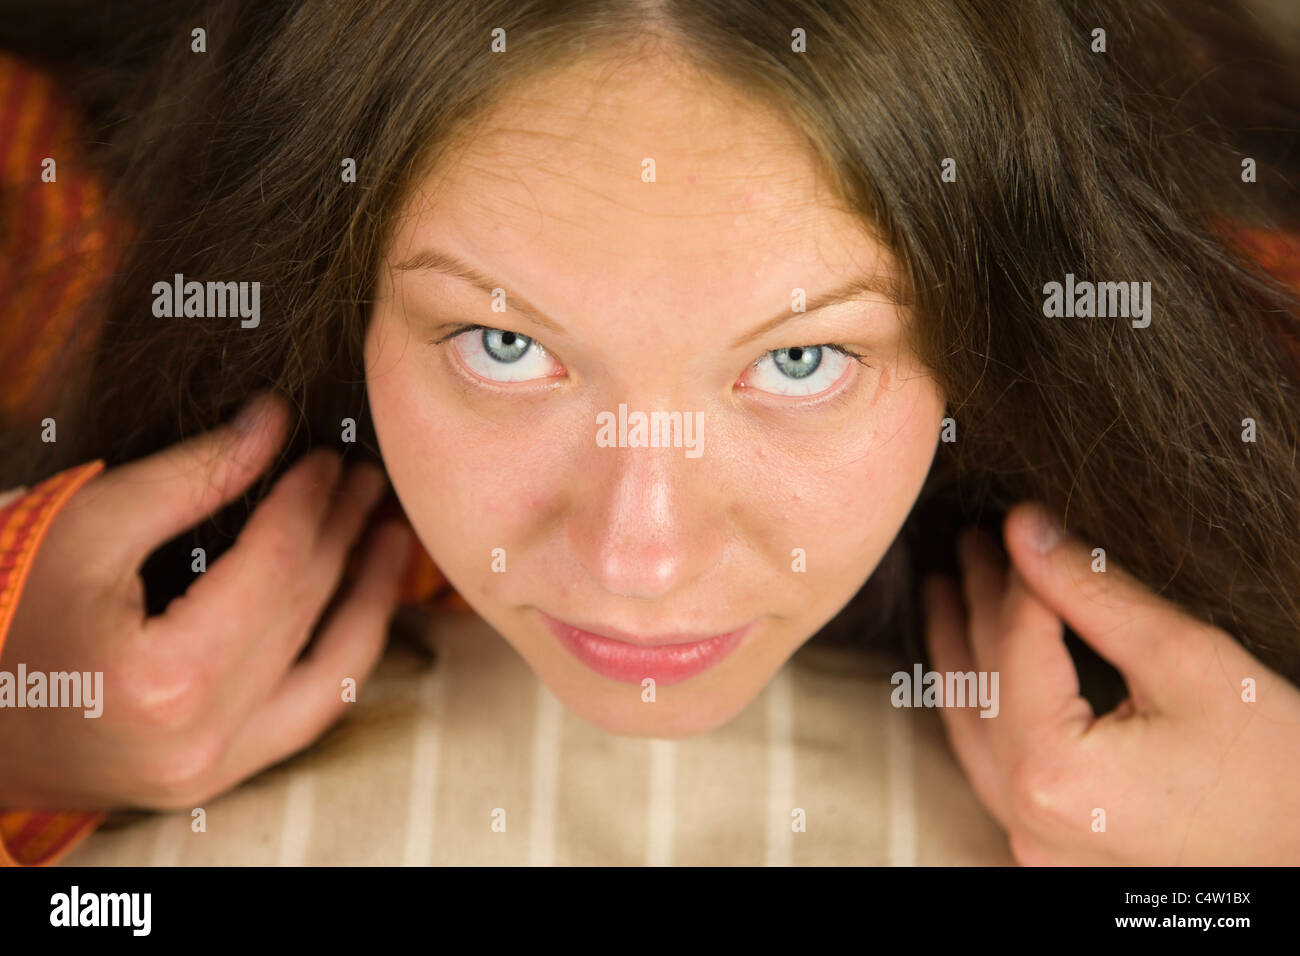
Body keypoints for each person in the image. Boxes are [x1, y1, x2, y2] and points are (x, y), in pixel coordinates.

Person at [1, 0, 1299, 865]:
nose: (640, 559)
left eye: (802, 360)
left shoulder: (1251, 321)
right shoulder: (49, 228)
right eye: (506, 346)